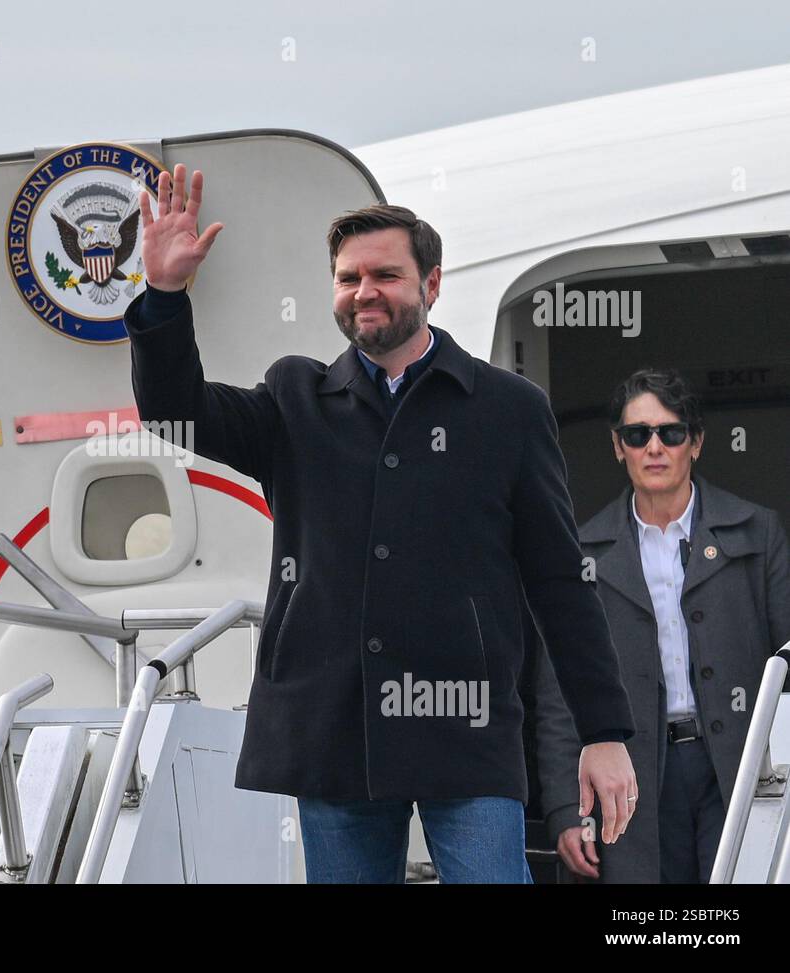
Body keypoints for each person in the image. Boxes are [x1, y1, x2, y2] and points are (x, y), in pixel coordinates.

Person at [123, 163, 638, 883]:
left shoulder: (507, 409)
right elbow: (176, 412)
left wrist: (603, 731)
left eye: (386, 275)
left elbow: (561, 580)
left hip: (469, 728)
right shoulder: (294, 397)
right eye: (347, 277)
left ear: (431, 284)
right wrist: (166, 296)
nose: (364, 291)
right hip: (333, 731)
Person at [535, 368, 790, 883]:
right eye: (637, 434)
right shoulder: (582, 552)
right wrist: (565, 808)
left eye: (670, 432)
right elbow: (559, 694)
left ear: (694, 443)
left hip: (740, 767)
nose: (655, 447)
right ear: (617, 446)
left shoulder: (757, 532)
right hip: (628, 778)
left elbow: (789, 665)